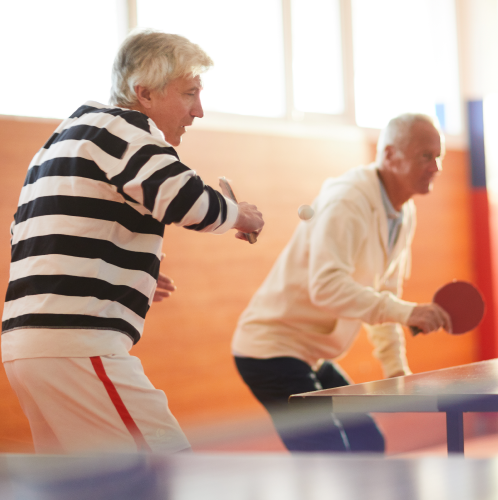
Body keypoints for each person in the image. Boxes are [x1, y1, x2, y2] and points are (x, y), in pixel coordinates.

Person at [1, 29, 264, 454]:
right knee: (168, 468)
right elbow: (183, 198)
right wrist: (239, 215)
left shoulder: (64, 140)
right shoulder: (123, 130)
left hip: (29, 349)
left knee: (83, 487)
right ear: (143, 93)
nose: (198, 110)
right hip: (77, 344)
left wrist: (130, 272)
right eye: (189, 93)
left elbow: (33, 233)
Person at [232, 113, 450, 453]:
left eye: (439, 156)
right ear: (391, 155)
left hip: (311, 354)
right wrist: (409, 313)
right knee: (330, 459)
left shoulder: (403, 213)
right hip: (271, 350)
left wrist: (395, 370)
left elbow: (384, 294)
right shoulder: (348, 200)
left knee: (368, 443)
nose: (435, 166)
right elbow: (327, 287)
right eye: (426, 156)